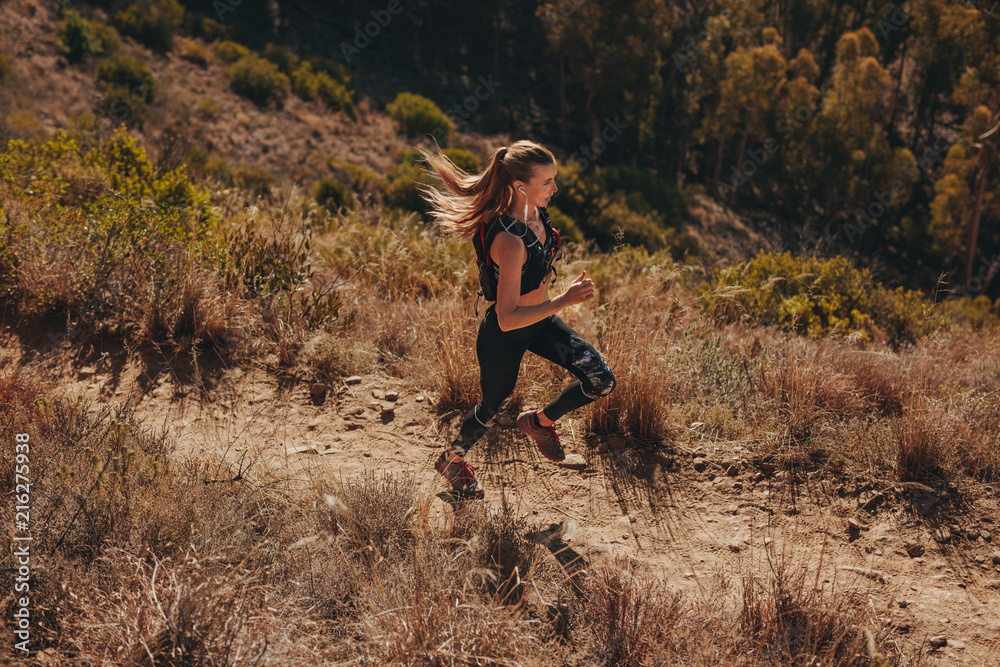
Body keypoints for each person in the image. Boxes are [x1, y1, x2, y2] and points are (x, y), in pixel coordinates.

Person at [419, 139, 617, 500]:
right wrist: (564, 300)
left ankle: (540, 422)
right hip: (504, 336)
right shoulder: (509, 240)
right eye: (547, 182)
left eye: (554, 180)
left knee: (601, 379)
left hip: (540, 324)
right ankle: (452, 460)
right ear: (519, 186)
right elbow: (508, 318)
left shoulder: (536, 214)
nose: (555, 188)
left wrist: (555, 298)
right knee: (491, 411)